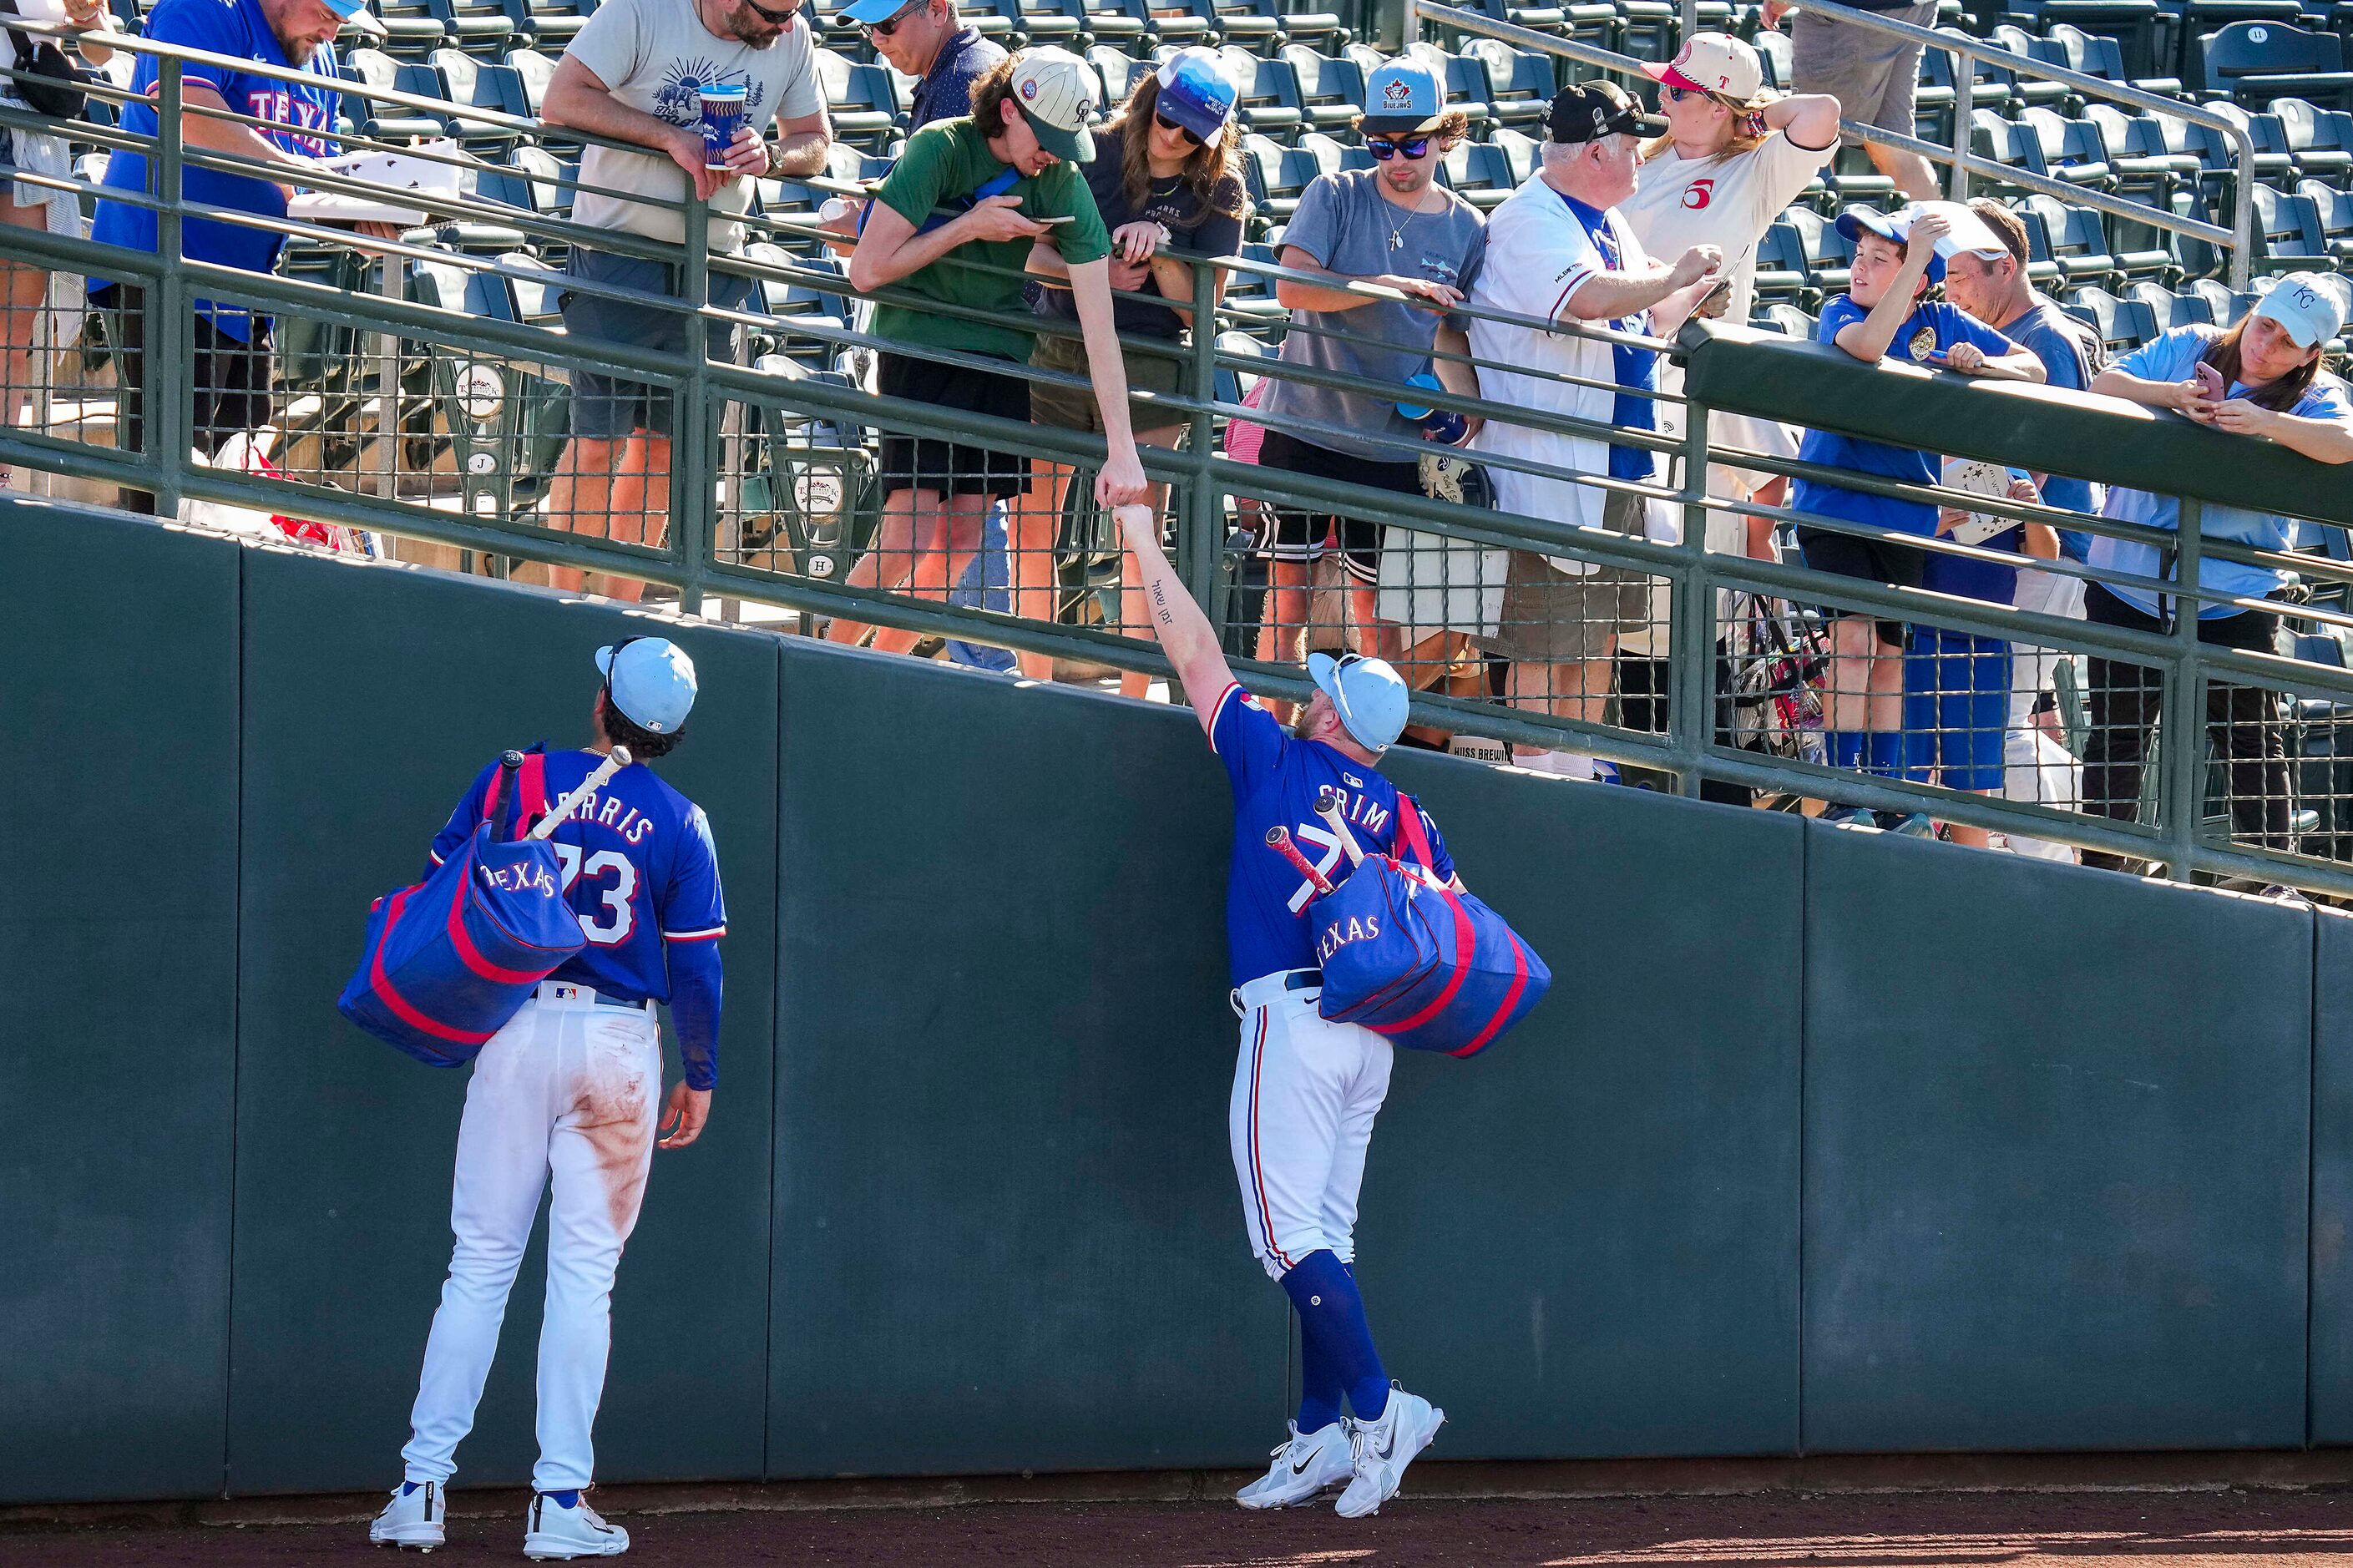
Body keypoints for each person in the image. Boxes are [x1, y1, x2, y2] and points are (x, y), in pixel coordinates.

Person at [1114, 500, 1456, 1517]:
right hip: (1373, 1037)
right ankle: (1317, 1439)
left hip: (1294, 1024)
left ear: (1338, 722)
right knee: (1327, 1239)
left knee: (1282, 1239)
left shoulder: (1275, 757)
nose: (1312, 700)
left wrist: (1138, 539)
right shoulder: (1410, 815)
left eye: (1326, 697)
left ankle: (1381, 1407)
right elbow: (1445, 930)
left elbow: (1195, 653)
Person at [370, 638, 726, 1561]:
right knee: (582, 1280)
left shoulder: (516, 778)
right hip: (618, 1045)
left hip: (516, 1022)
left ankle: (419, 1490)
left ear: (604, 703)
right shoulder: (683, 821)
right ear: (671, 733)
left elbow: (440, 883)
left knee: (480, 1264)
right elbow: (698, 968)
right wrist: (703, 1071)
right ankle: (559, 1503)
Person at [823, 48, 1148, 656]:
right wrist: (967, 227)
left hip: (999, 359)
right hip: (919, 344)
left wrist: (1122, 451)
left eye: (1063, 141)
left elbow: (1100, 329)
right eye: (1046, 137)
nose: (1052, 154)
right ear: (1008, 109)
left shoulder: (1061, 181)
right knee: (907, 536)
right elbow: (866, 271)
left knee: (963, 540)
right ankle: (822, 660)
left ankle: (880, 670)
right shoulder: (939, 147)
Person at [1466, 81, 1720, 782]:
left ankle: (1576, 770)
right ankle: (1535, 779)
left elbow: (1641, 319)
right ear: (1598, 152)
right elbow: (1584, 299)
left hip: (1617, 467)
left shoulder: (1605, 218)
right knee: (1545, 645)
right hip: (1551, 468)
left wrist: (1690, 292)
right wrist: (1672, 274)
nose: (1642, 159)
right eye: (1633, 147)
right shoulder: (1530, 217)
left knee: (1594, 639)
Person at [539, 0, 831, 602]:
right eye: (775, 13)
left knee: (663, 450)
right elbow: (561, 101)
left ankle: (622, 616)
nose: (785, 27)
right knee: (596, 443)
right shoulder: (641, 9)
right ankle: (560, 609)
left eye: (792, 12)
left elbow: (815, 143)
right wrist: (669, 137)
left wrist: (771, 156)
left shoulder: (792, 33)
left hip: (711, 270)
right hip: (616, 259)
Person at [1613, 37, 1837, 796]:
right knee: (1627, 623)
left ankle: (1712, 802)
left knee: (1687, 624)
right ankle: (1644, 789)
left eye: (1682, 92)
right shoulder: (1636, 162)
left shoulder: (1752, 169)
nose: (1665, 102)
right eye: (1669, 91)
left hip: (1686, 401)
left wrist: (1753, 115)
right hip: (1612, 383)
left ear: (1718, 105)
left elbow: (1823, 112)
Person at [2078, 276, 2353, 863]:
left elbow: (2343, 441)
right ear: (2252, 314)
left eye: (2287, 342)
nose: (2266, 345)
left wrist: (2266, 426)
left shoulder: (2314, 396)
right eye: (2266, 325)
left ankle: (2272, 883)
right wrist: (2174, 397)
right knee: (2117, 743)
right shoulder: (2191, 343)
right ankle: (2100, 878)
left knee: (2251, 747)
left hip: (2232, 598)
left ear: (2311, 355)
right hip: (2128, 583)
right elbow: (2104, 384)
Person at [1790, 205, 2042, 825]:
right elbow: (1868, 347)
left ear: (1918, 276)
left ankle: (1884, 790)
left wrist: (1981, 362)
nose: (1860, 268)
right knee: (1852, 641)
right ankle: (1844, 784)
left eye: (1881, 259)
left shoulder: (1938, 316)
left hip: (1905, 514)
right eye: (1859, 257)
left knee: (1890, 651)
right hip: (1835, 507)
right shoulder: (1840, 312)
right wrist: (1907, 269)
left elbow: (2032, 366)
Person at [87, 0, 380, 514]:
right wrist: (296, 169)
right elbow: (185, 108)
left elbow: (303, 179)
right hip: (169, 260)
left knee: (240, 445)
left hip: (247, 281)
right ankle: (151, 580)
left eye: (341, 21)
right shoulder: (207, 7)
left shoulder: (319, 59)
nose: (332, 32)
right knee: (171, 453)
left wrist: (359, 220)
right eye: (327, 14)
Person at [1021, 47, 1247, 691]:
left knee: (1140, 543)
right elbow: (1032, 256)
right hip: (1061, 348)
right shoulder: (1089, 150)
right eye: (1167, 118)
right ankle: (1030, 685)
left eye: (1191, 132)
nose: (1172, 136)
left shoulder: (1221, 189)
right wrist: (1098, 273)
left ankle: (1134, 698)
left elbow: (1199, 311)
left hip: (1152, 368)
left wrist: (1164, 249)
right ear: (1151, 98)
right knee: (1034, 534)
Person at [1256, 58, 1486, 685]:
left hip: (1392, 448)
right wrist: (1387, 288)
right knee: (1286, 612)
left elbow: (1451, 333)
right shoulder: (1333, 193)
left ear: (1445, 135)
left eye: (1413, 142)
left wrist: (1467, 411)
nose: (1397, 159)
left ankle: (1358, 756)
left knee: (1379, 623)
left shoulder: (1469, 228)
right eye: (1381, 144)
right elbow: (1292, 287)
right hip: (1303, 428)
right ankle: (1276, 749)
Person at [1941, 196, 2103, 857]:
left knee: (1997, 721)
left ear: (2004, 266)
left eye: (1960, 277)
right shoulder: (2014, 333)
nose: (1950, 291)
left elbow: (2035, 468)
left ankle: (2053, 862)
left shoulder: (2046, 340)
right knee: (1998, 716)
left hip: (2045, 553)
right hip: (2016, 554)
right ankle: (2045, 847)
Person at [1904, 463, 2057, 847]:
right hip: (1920, 636)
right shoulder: (1920, 466)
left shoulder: (2011, 475)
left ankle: (1971, 879)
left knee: (1972, 781)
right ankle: (1905, 871)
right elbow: (1887, 545)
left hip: (1985, 643)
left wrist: (2032, 512)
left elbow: (2047, 557)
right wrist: (1931, 526)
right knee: (1908, 773)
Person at [0, 0, 111, 488]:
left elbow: (102, 52)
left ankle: (0, 478)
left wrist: (86, 17)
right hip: (25, 134)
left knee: (11, 334)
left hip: (29, 136)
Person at [1760, 0, 1939, 200]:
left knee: (1808, 134)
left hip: (1854, 14)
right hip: (1910, 10)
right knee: (1894, 144)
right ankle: (1941, 229)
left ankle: (1788, 226)